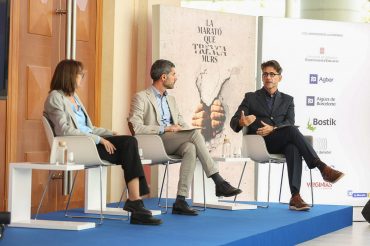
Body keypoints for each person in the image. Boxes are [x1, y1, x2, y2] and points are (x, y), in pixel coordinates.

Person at [43, 59, 162, 225]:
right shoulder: (55, 98)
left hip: (90, 142)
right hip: (77, 147)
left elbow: (87, 127)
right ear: (69, 75)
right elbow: (65, 131)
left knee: (129, 143)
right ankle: (135, 204)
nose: (82, 78)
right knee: (128, 147)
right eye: (80, 75)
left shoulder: (75, 97)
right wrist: (100, 139)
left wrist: (107, 133)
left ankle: (135, 202)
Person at [128, 59, 242, 216]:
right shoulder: (141, 97)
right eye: (174, 74)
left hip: (171, 141)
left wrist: (190, 130)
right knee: (194, 136)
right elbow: (136, 127)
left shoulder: (171, 100)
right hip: (153, 143)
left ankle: (180, 200)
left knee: (191, 147)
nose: (176, 77)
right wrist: (165, 128)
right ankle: (218, 180)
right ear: (163, 77)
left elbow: (181, 123)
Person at [230, 60, 344, 211]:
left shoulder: (288, 100)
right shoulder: (251, 97)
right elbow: (233, 122)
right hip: (259, 143)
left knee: (293, 147)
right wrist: (242, 121)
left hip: (280, 140)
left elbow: (290, 121)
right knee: (291, 131)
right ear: (262, 77)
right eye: (265, 74)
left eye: (272, 74)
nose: (268, 77)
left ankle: (295, 196)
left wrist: (274, 128)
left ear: (279, 78)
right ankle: (321, 167)